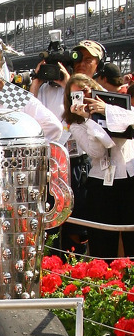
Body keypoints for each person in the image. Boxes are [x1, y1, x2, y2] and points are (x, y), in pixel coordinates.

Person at [65, 73, 134, 259]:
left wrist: (106, 111)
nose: (84, 97)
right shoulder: (77, 123)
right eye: (77, 95)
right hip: (101, 183)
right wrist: (89, 120)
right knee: (104, 242)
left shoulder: (114, 106)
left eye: (86, 90)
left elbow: (131, 121)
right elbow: (96, 151)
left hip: (129, 176)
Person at [0, 69, 62, 143]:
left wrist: (26, 145)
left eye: (1, 75)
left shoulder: (18, 98)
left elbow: (53, 126)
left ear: (11, 76)